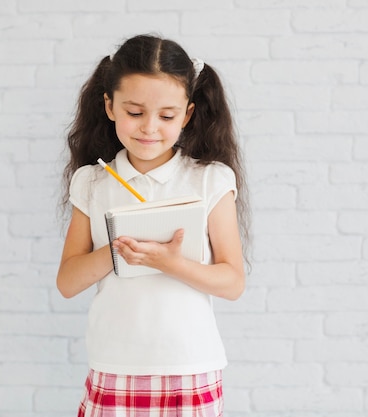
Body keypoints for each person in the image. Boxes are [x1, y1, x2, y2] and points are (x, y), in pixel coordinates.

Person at [57, 34, 250, 417]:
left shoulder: (210, 180)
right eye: (134, 112)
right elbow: (67, 282)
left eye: (166, 116)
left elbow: (233, 282)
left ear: (188, 115)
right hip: (115, 361)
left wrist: (170, 263)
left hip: (189, 363)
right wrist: (117, 250)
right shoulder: (93, 182)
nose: (149, 128)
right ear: (109, 106)